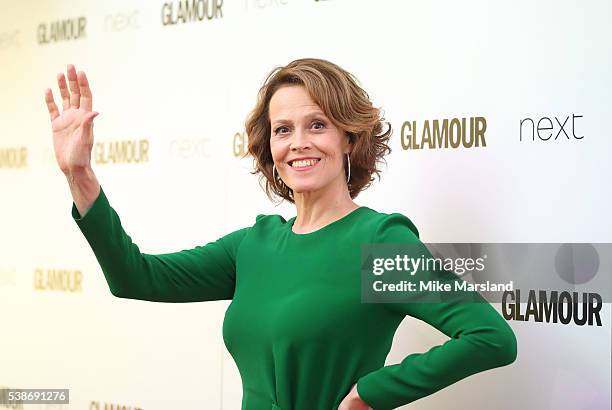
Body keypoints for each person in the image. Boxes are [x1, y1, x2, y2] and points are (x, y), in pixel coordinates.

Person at [44, 59, 517, 410]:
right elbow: (135, 277)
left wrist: (373, 392)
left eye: (318, 125)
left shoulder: (378, 243)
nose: (299, 143)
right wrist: (79, 174)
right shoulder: (254, 244)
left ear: (349, 137)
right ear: (269, 147)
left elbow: (490, 337)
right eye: (283, 130)